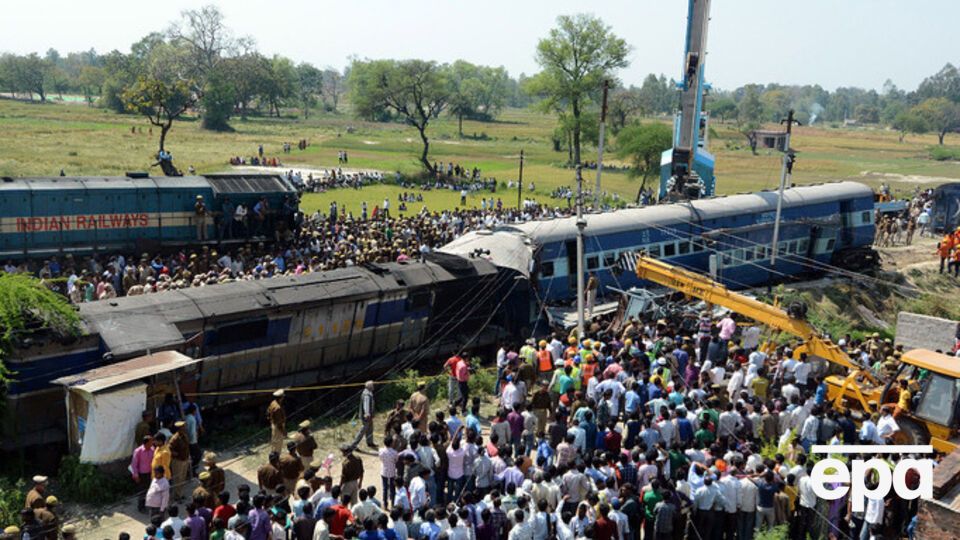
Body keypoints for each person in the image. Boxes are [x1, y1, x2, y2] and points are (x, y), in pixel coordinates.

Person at [132, 435, 156, 512]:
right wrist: (136, 475)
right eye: (150, 442)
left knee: (150, 490)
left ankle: (147, 505)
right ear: (146, 443)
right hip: (142, 475)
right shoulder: (138, 451)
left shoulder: (152, 449)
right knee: (142, 491)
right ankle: (141, 507)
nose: (152, 443)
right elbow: (134, 464)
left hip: (150, 473)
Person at [353, 381, 377, 449]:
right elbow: (366, 405)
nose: (373, 387)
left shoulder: (368, 393)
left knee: (370, 429)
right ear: (370, 387)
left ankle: (370, 442)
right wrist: (367, 414)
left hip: (369, 416)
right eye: (372, 385)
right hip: (366, 416)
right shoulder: (367, 395)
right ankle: (354, 444)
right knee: (363, 430)